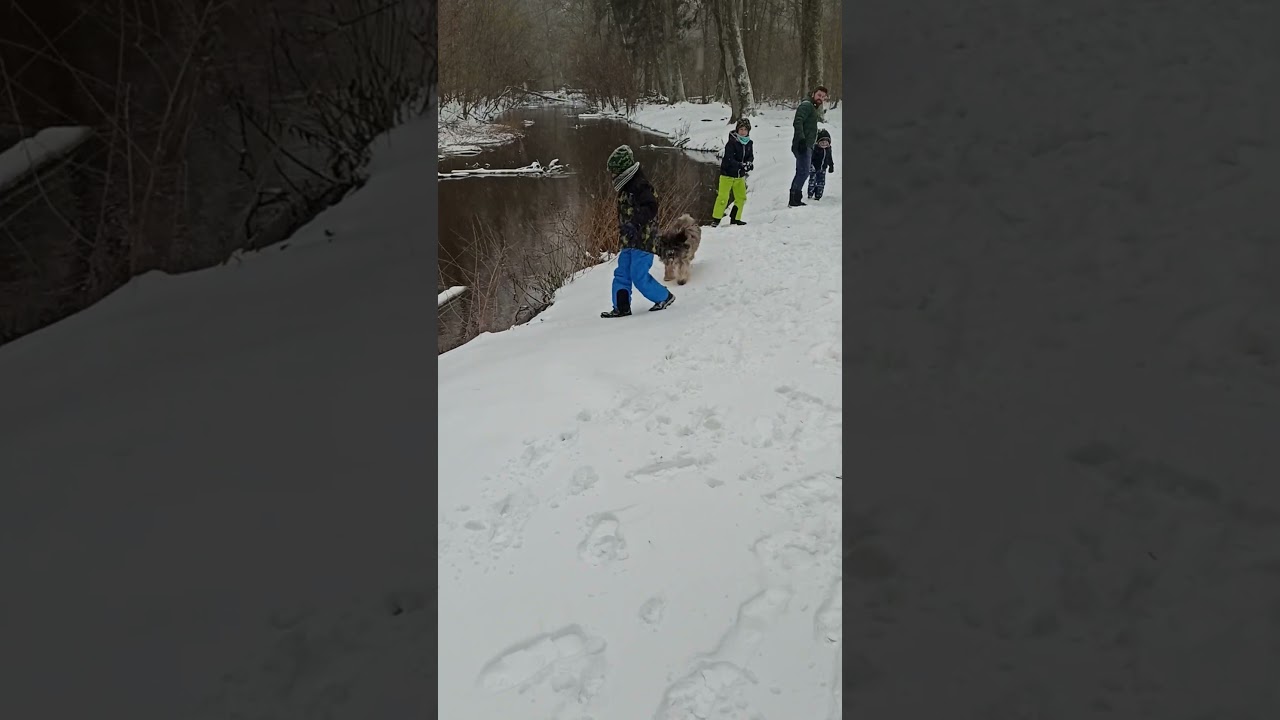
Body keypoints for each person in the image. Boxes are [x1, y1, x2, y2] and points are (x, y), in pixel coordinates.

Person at [600, 145, 676, 318]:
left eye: (614, 172)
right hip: (629, 239)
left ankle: (664, 297)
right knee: (622, 273)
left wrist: (635, 223)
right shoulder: (626, 186)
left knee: (638, 274)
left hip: (644, 239)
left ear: (623, 170)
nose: (612, 176)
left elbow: (651, 207)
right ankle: (622, 307)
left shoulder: (640, 185)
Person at [709, 117, 754, 227]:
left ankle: (735, 218)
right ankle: (716, 219)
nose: (743, 132)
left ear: (748, 131)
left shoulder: (749, 143)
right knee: (723, 197)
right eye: (741, 129)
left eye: (745, 130)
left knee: (741, 197)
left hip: (740, 176)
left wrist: (749, 163)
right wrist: (740, 165)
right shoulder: (731, 143)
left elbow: (750, 156)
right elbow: (729, 159)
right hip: (727, 175)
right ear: (737, 130)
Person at [788, 85, 828, 207]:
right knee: (804, 172)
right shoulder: (807, 105)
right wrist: (801, 139)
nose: (820, 98)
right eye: (819, 95)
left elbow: (808, 125)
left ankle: (795, 198)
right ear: (813, 94)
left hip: (808, 144)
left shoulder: (812, 108)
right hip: (803, 144)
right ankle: (794, 199)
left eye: (823, 97)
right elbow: (798, 121)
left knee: (801, 171)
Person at [807, 128, 834, 201]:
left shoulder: (828, 149)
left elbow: (829, 158)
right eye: (822, 143)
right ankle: (810, 193)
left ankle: (818, 195)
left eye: (826, 143)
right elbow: (811, 158)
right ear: (818, 142)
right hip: (814, 168)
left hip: (823, 169)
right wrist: (811, 165)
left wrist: (831, 166)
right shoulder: (815, 149)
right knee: (812, 181)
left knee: (821, 182)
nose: (824, 145)